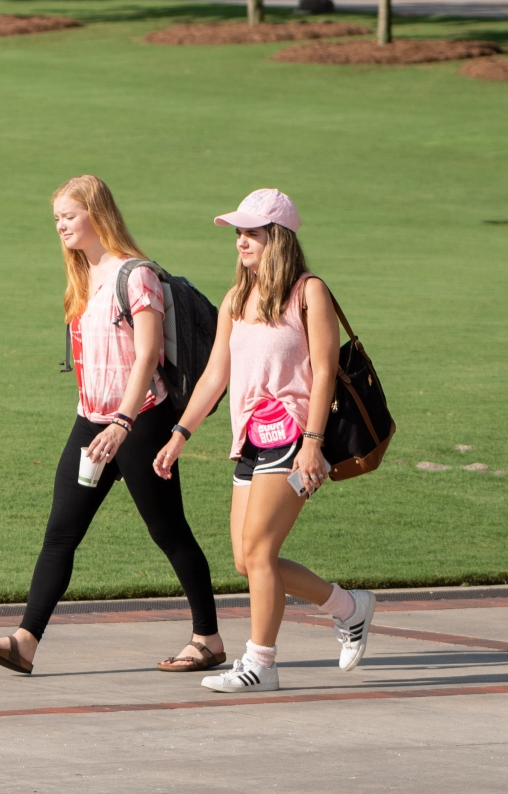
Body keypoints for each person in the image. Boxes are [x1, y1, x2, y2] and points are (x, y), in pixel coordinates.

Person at [0, 175, 225, 675]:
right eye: (57, 218)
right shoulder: (83, 278)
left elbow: (148, 352)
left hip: (140, 421)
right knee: (60, 534)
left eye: (69, 215)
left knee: (169, 533)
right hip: (91, 424)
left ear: (96, 214)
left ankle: (208, 639)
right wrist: (99, 420)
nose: (61, 225)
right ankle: (24, 642)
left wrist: (124, 422)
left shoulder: (136, 275)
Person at [153, 189, 375, 693]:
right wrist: (179, 434)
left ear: (277, 237)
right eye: (238, 233)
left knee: (259, 552)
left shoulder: (308, 292)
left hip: (296, 435)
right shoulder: (235, 299)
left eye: (251, 233)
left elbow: (324, 372)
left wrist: (314, 441)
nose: (240, 242)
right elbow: (214, 377)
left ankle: (262, 663)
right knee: (248, 559)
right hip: (251, 437)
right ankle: (349, 607)